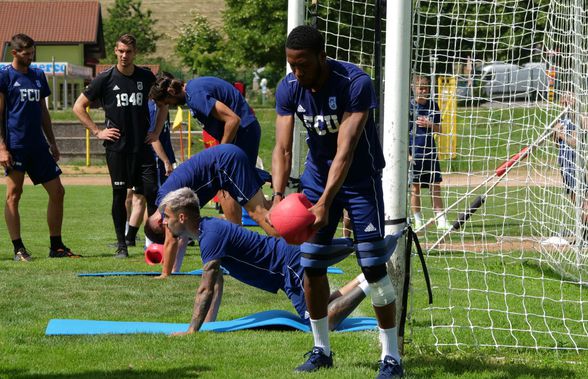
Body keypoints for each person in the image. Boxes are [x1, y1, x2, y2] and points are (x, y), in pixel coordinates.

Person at [271, 25, 403, 378]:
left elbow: (345, 151)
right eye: (291, 65)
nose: (297, 72)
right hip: (315, 180)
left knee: (374, 267)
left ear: (321, 57)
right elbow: (283, 147)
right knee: (312, 266)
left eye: (303, 65)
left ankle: (391, 357)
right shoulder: (289, 88)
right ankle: (321, 349)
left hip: (359, 180)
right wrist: (278, 195)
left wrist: (325, 203)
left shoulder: (355, 83)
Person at [157, 187, 371, 334]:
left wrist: (192, 329)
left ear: (182, 217)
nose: (165, 222)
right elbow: (216, 282)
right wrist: (207, 324)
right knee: (321, 305)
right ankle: (366, 277)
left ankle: (371, 281)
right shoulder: (209, 229)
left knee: (321, 323)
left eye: (167, 216)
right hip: (287, 260)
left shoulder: (210, 235)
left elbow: (206, 289)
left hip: (287, 265)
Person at [73, 34, 167, 258]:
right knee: (119, 194)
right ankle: (121, 245)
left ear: (135, 53)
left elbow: (163, 103)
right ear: (115, 51)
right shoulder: (104, 79)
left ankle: (154, 244)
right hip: (117, 149)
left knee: (153, 193)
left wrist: (156, 132)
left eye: (129, 51)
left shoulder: (146, 76)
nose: (125, 55)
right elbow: (79, 106)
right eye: (121, 51)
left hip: (142, 148)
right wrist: (97, 131)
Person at [0, 33, 79, 261]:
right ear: (14, 53)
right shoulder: (5, 77)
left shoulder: (37, 75)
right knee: (13, 195)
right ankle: (18, 249)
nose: (30, 57)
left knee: (58, 192)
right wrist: (2, 147)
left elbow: (44, 112)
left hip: (38, 146)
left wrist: (52, 142)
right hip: (16, 146)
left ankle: (56, 246)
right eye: (26, 54)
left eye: (32, 53)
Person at [144, 144, 279, 273]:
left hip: (225, 163)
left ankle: (287, 254)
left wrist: (165, 274)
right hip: (226, 157)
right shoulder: (172, 202)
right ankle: (294, 241)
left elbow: (171, 240)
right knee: (268, 209)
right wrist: (175, 271)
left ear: (160, 223)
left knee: (258, 213)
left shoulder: (165, 204)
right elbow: (182, 237)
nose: (171, 228)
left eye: (167, 227)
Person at [149, 74, 261, 227]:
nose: (172, 106)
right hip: (244, 133)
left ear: (172, 92)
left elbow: (233, 120)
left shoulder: (194, 95)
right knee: (232, 189)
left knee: (227, 190)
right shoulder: (194, 89)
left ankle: (237, 239)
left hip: (243, 134)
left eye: (168, 102)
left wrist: (222, 151)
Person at [409, 75, 450, 231]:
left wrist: (430, 124)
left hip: (430, 153)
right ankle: (418, 220)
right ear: (414, 89)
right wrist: (408, 155)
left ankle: (441, 220)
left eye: (426, 87)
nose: (424, 90)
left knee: (435, 185)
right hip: (415, 153)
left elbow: (440, 130)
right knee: (415, 187)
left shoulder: (433, 105)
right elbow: (402, 133)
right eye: (421, 87)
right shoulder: (409, 107)